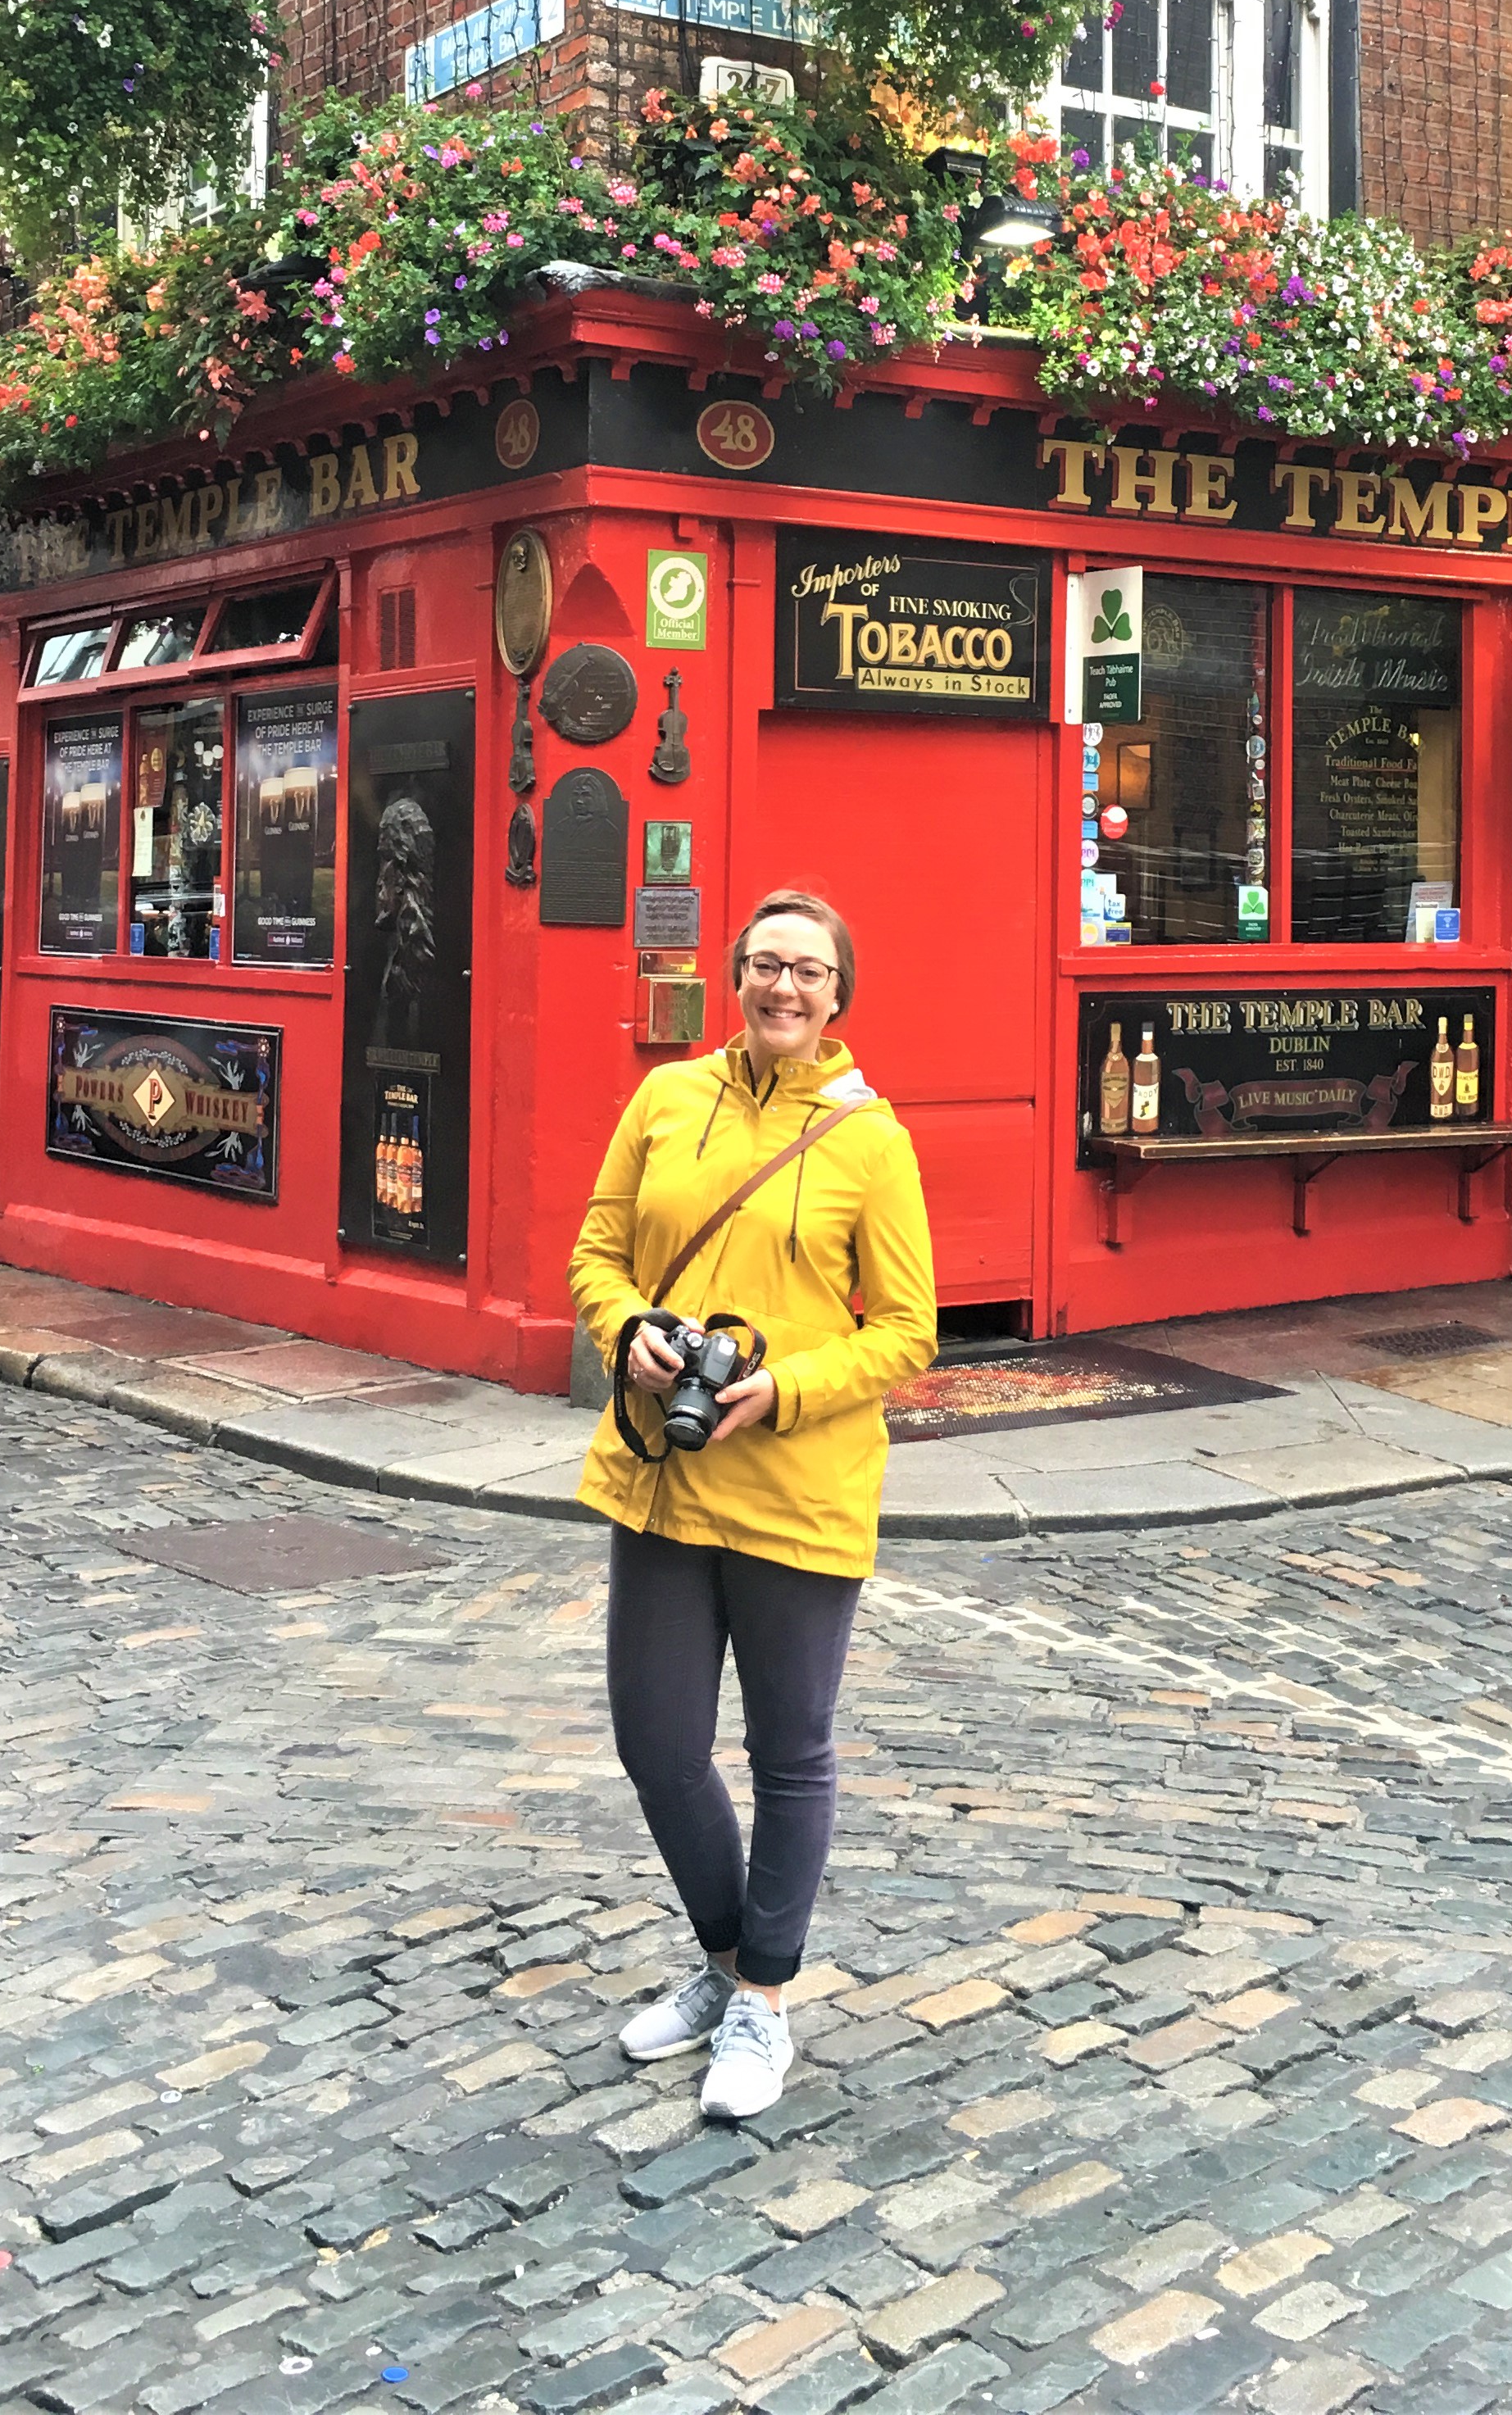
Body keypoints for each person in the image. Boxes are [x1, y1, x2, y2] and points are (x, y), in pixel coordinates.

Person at [570, 887, 935, 2123]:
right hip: (664, 1477)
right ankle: (729, 1963)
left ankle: (764, 2000)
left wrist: (782, 1389)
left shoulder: (871, 1141)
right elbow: (598, 1250)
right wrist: (628, 1331)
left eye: (809, 971)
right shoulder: (667, 1099)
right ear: (736, 978)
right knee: (658, 1745)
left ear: (838, 996)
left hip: (797, 1487)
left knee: (790, 1754)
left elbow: (907, 1331)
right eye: (767, 964)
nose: (785, 987)